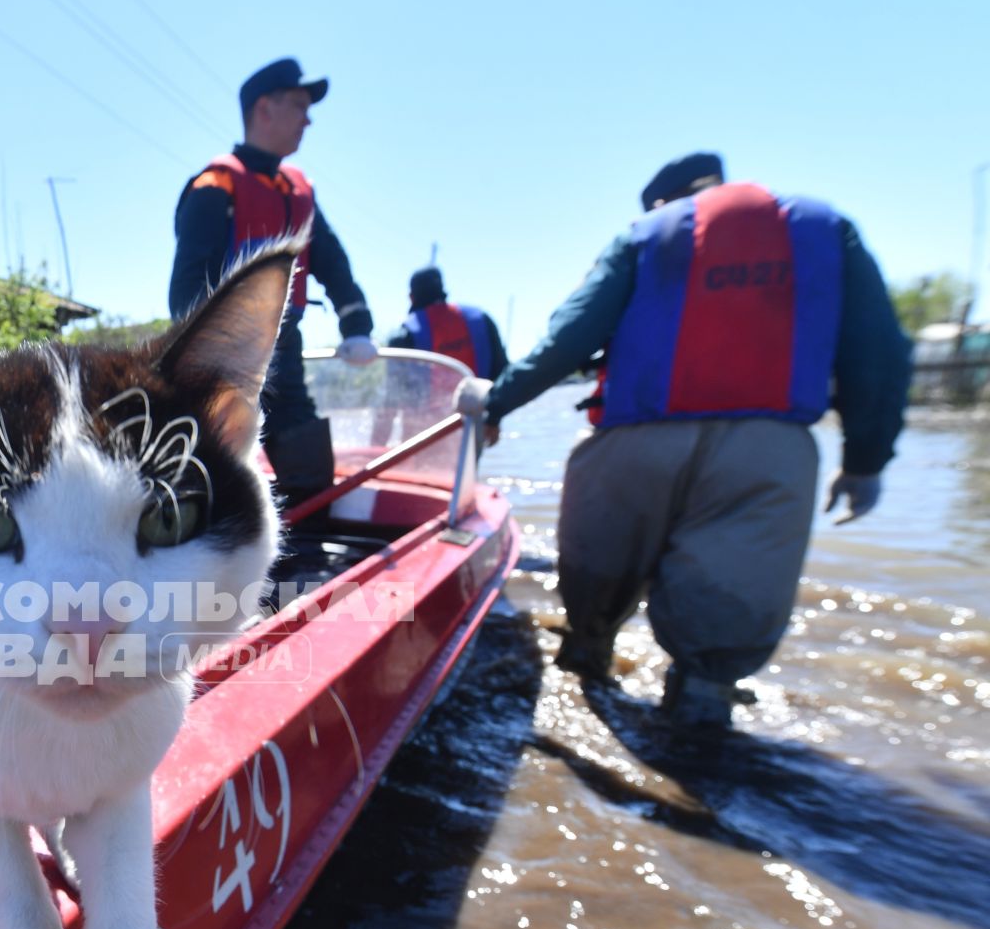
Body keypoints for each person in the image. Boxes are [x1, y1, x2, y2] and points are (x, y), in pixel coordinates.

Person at [454, 152, 910, 728]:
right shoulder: (825, 228)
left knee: (595, 580)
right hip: (767, 454)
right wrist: (866, 459)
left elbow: (568, 338)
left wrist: (496, 403)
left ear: (661, 203)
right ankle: (701, 715)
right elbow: (880, 354)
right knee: (724, 617)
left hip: (634, 444)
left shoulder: (645, 234)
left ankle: (587, 657)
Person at [169, 57, 376, 504]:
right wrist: (201, 362)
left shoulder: (298, 191)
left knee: (302, 443)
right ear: (265, 109)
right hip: (222, 353)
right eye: (300, 105)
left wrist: (357, 324)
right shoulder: (214, 187)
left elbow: (331, 261)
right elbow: (187, 287)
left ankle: (310, 540)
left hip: (285, 343)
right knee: (218, 456)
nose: (309, 119)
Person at [386, 267, 507, 381]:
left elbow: (397, 389)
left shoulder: (406, 332)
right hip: (481, 402)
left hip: (429, 403)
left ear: (411, 297)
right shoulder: (481, 319)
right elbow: (502, 372)